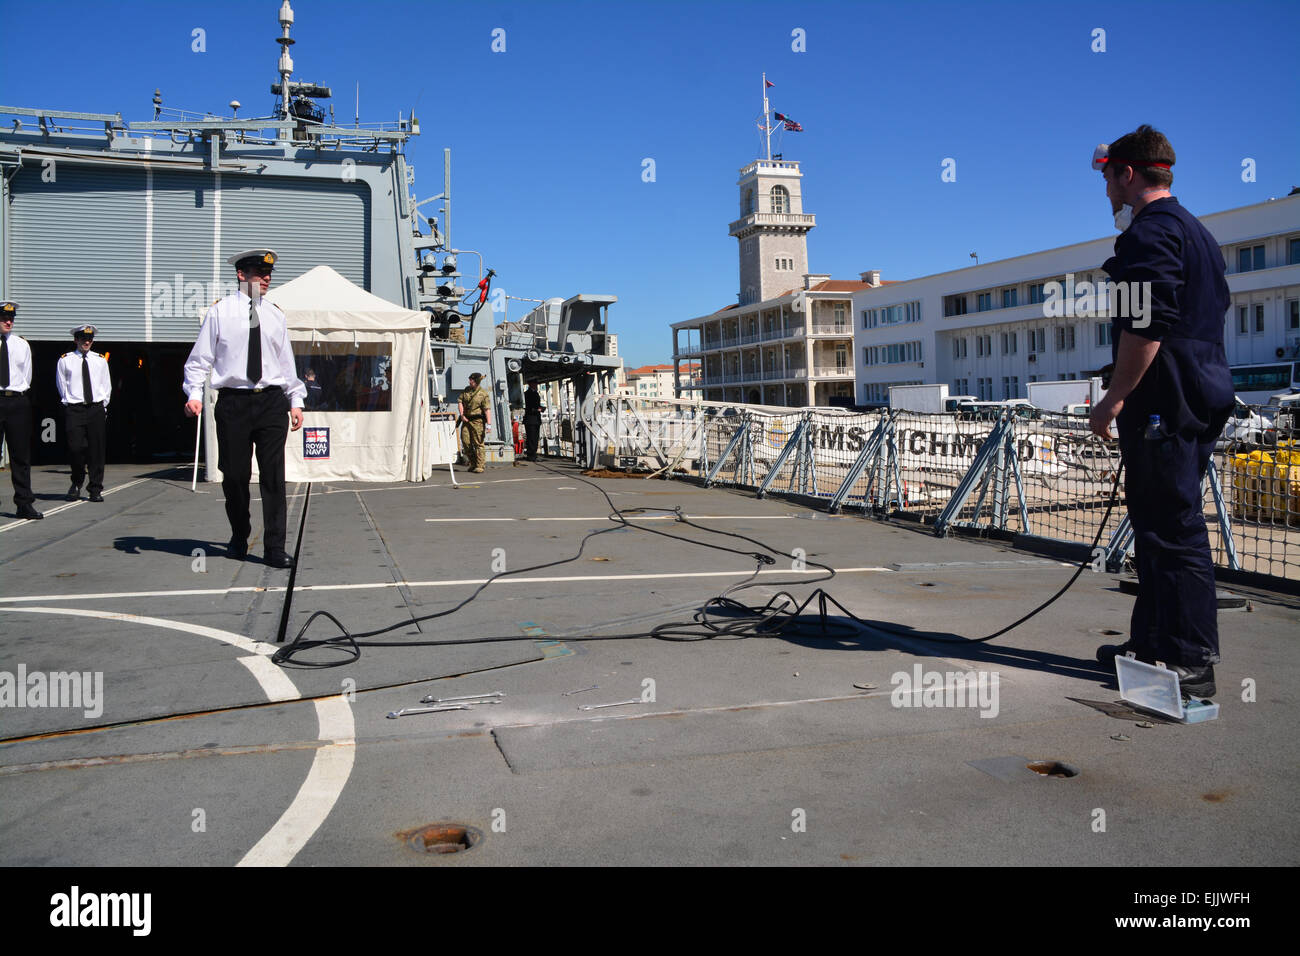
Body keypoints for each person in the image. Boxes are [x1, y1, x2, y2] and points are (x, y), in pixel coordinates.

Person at [1088, 126, 1233, 700]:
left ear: (1127, 173)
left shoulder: (1148, 236)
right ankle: (1150, 643)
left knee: (1172, 528)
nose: (1105, 189)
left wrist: (1115, 396)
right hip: (1197, 391)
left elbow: (1144, 324)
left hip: (1164, 400)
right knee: (1154, 524)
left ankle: (1190, 659)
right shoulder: (1196, 232)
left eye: (1106, 177)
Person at [183, 249, 305, 568]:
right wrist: (194, 393)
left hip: (271, 401)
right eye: (258, 272)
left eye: (268, 273)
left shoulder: (276, 315)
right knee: (235, 476)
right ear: (241, 274)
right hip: (234, 401)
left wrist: (296, 399)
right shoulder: (220, 313)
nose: (266, 278)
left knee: (273, 477)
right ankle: (240, 534)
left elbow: (285, 362)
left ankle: (275, 548)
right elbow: (200, 360)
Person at [55, 324, 112, 502]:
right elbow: (62, 385)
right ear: (76, 340)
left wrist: (103, 406)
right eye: (83, 338)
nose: (87, 342)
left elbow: (106, 385)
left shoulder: (100, 360)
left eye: (90, 339)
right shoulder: (65, 360)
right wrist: (69, 403)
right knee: (75, 448)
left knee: (96, 450)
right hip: (75, 408)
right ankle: (77, 481)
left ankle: (95, 488)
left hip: (95, 408)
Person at [0, 301, 42, 520]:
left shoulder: (21, 344)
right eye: (4, 318)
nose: (9, 321)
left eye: (11, 318)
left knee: (21, 456)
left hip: (17, 401)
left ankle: (24, 504)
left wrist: (17, 395)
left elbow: (27, 375)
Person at [458, 371, 490, 473]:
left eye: (471, 380)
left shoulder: (483, 394)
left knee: (478, 443)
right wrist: (462, 415)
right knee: (465, 442)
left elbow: (487, 409)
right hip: (466, 420)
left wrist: (489, 424)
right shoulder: (466, 390)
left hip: (478, 421)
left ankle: (480, 465)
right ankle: (473, 463)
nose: (469, 381)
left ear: (476, 381)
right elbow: (460, 402)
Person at [523, 380, 543, 461]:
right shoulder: (527, 394)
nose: (536, 385)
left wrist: (539, 408)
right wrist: (537, 409)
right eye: (535, 383)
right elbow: (528, 407)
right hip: (530, 419)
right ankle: (531, 455)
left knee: (535, 437)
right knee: (531, 437)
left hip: (536, 419)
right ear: (530, 384)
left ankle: (533, 454)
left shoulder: (535, 393)